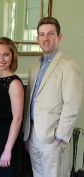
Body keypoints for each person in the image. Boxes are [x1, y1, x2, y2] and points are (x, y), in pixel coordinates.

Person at [23, 17, 82, 177]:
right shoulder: (34, 66)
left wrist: (60, 136)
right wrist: (27, 134)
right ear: (37, 38)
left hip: (53, 137)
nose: (46, 38)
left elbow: (72, 104)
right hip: (33, 135)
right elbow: (30, 101)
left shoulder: (68, 65)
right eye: (42, 34)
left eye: (50, 34)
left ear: (59, 37)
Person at [0, 37, 24, 177]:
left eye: (6, 54)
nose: (1, 59)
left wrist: (7, 149)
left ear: (13, 56)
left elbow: (18, 118)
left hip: (7, 137)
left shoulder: (14, 83)